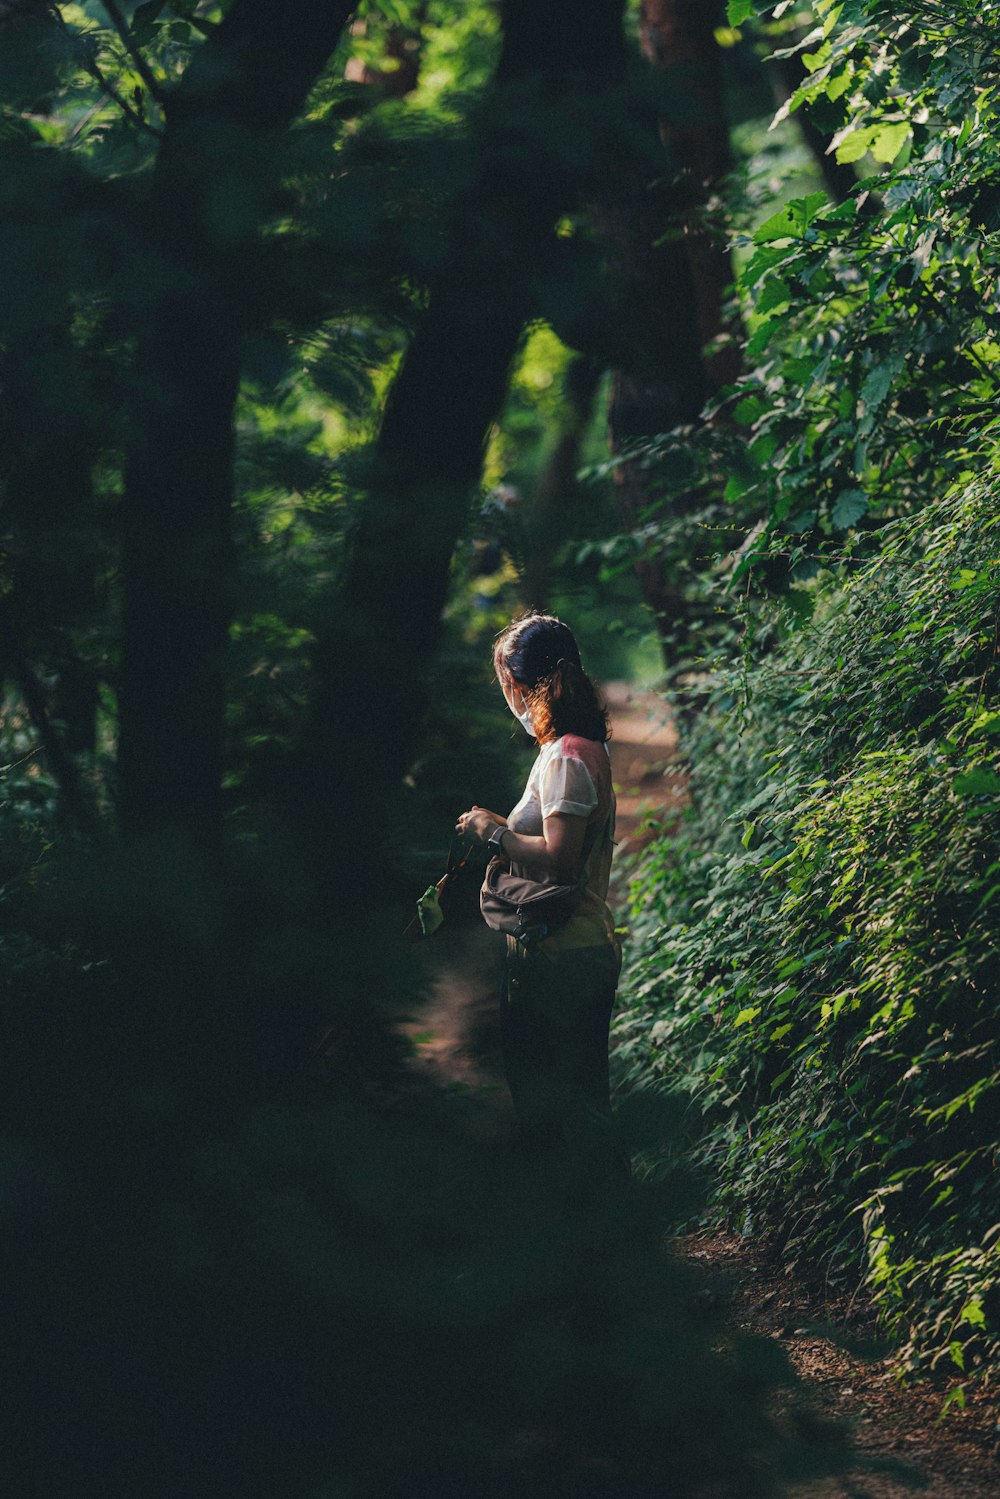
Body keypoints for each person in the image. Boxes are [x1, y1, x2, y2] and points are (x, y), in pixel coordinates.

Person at [455, 612, 623, 1170]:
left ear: (520, 685)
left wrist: (494, 832)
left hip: (561, 955)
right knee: (572, 1103)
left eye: (506, 684)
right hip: (565, 947)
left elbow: (561, 859)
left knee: (554, 1108)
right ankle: (597, 1234)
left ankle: (591, 1236)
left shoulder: (569, 757)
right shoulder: (572, 749)